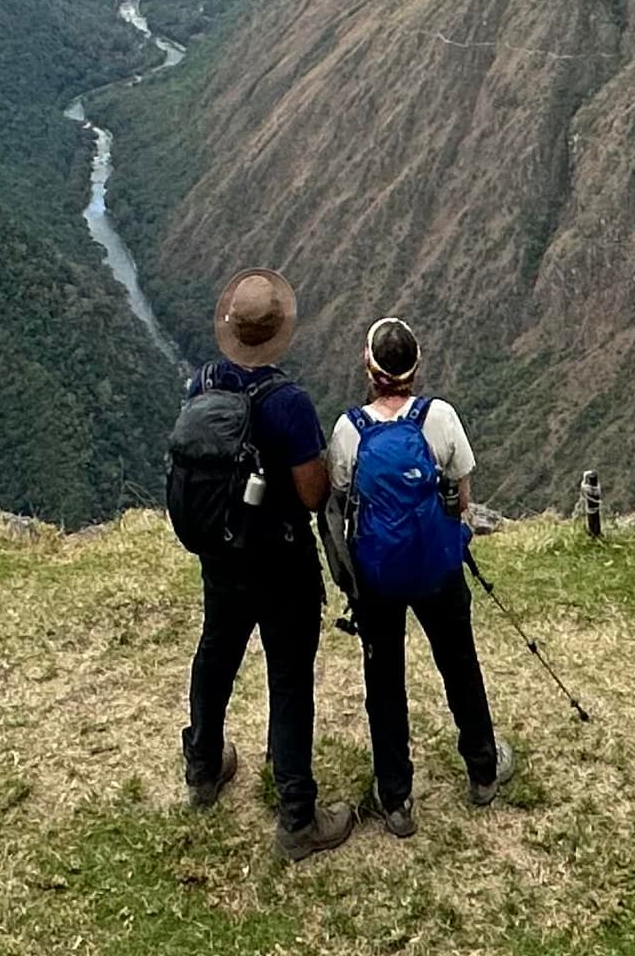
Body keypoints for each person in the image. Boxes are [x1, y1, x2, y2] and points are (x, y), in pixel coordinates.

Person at [166, 269, 354, 860]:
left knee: (216, 650)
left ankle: (203, 766)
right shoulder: (289, 404)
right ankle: (297, 817)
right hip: (279, 559)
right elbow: (310, 494)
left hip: (221, 553)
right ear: (279, 335)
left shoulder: (204, 382)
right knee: (291, 678)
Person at [326, 317, 508, 837]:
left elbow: (341, 499)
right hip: (437, 569)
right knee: (459, 665)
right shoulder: (440, 418)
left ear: (370, 366)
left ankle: (397, 800)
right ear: (415, 368)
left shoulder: (348, 431)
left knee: (384, 683)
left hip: (378, 579)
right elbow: (462, 498)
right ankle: (482, 770)